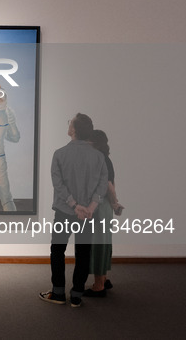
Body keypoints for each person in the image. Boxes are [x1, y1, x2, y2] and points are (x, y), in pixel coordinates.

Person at [39, 113, 108, 308]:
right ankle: (77, 295)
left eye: (70, 122)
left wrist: (73, 205)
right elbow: (102, 185)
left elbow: (58, 185)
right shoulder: (98, 156)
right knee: (83, 252)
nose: (68, 124)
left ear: (74, 130)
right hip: (88, 215)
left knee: (57, 250)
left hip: (64, 212)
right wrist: (90, 207)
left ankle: (58, 292)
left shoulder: (59, 154)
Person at [84, 129, 125, 297]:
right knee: (104, 242)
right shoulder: (104, 159)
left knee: (98, 245)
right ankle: (104, 279)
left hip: (100, 207)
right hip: (104, 206)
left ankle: (99, 285)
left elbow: (108, 185)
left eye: (87, 140)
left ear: (93, 142)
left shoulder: (98, 159)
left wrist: (115, 203)